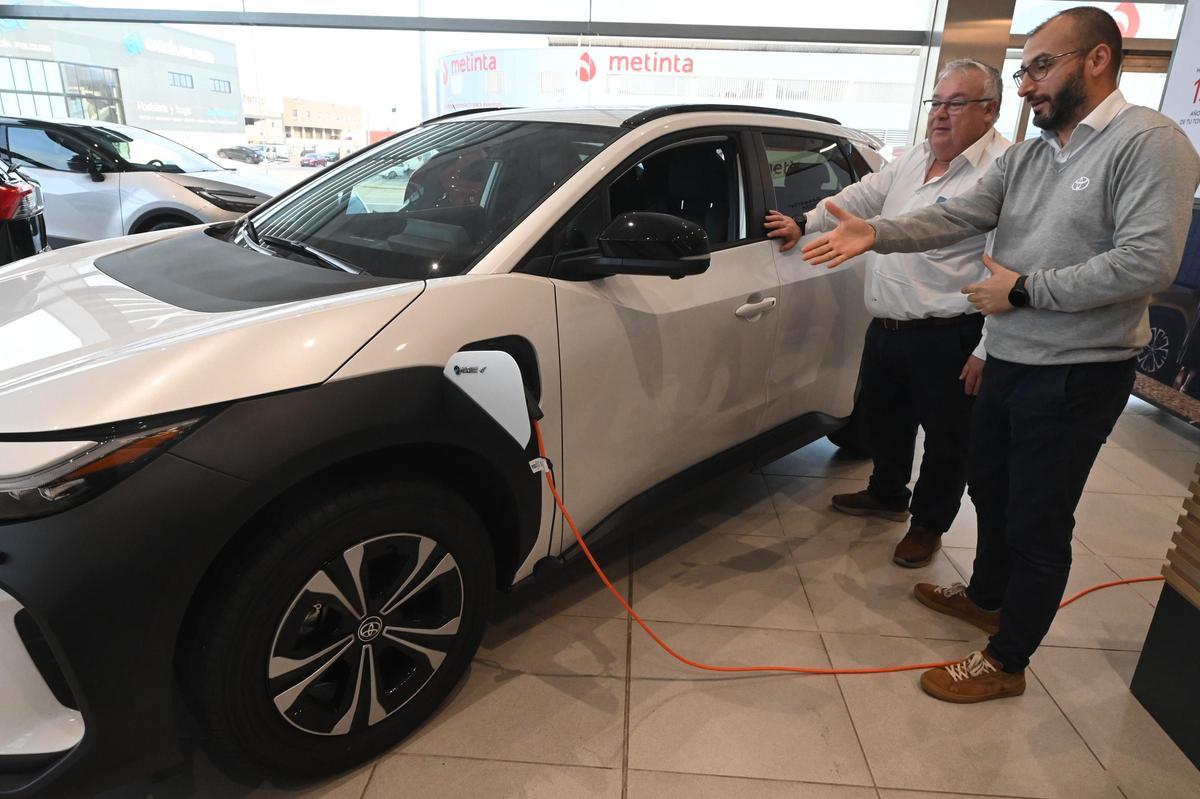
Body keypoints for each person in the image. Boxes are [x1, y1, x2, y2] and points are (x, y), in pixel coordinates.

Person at [801, 7, 1200, 703]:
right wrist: (879, 233)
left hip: (1078, 370)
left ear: (1098, 59)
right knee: (988, 489)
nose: (1026, 86)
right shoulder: (1031, 153)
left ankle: (1006, 659)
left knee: (1038, 520)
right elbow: (957, 214)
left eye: (1041, 67)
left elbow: (1147, 263)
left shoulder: (1150, 143)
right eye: (1025, 70)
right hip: (1013, 359)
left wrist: (1025, 291)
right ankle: (986, 594)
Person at [765, 59, 1010, 568]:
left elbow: (1006, 267)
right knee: (885, 419)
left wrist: (987, 348)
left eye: (955, 104)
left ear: (989, 111)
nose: (940, 116)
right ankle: (886, 493)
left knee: (947, 440)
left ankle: (928, 525)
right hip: (888, 324)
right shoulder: (916, 157)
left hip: (951, 332)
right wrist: (804, 221)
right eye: (936, 103)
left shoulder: (1003, 173)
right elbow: (861, 197)